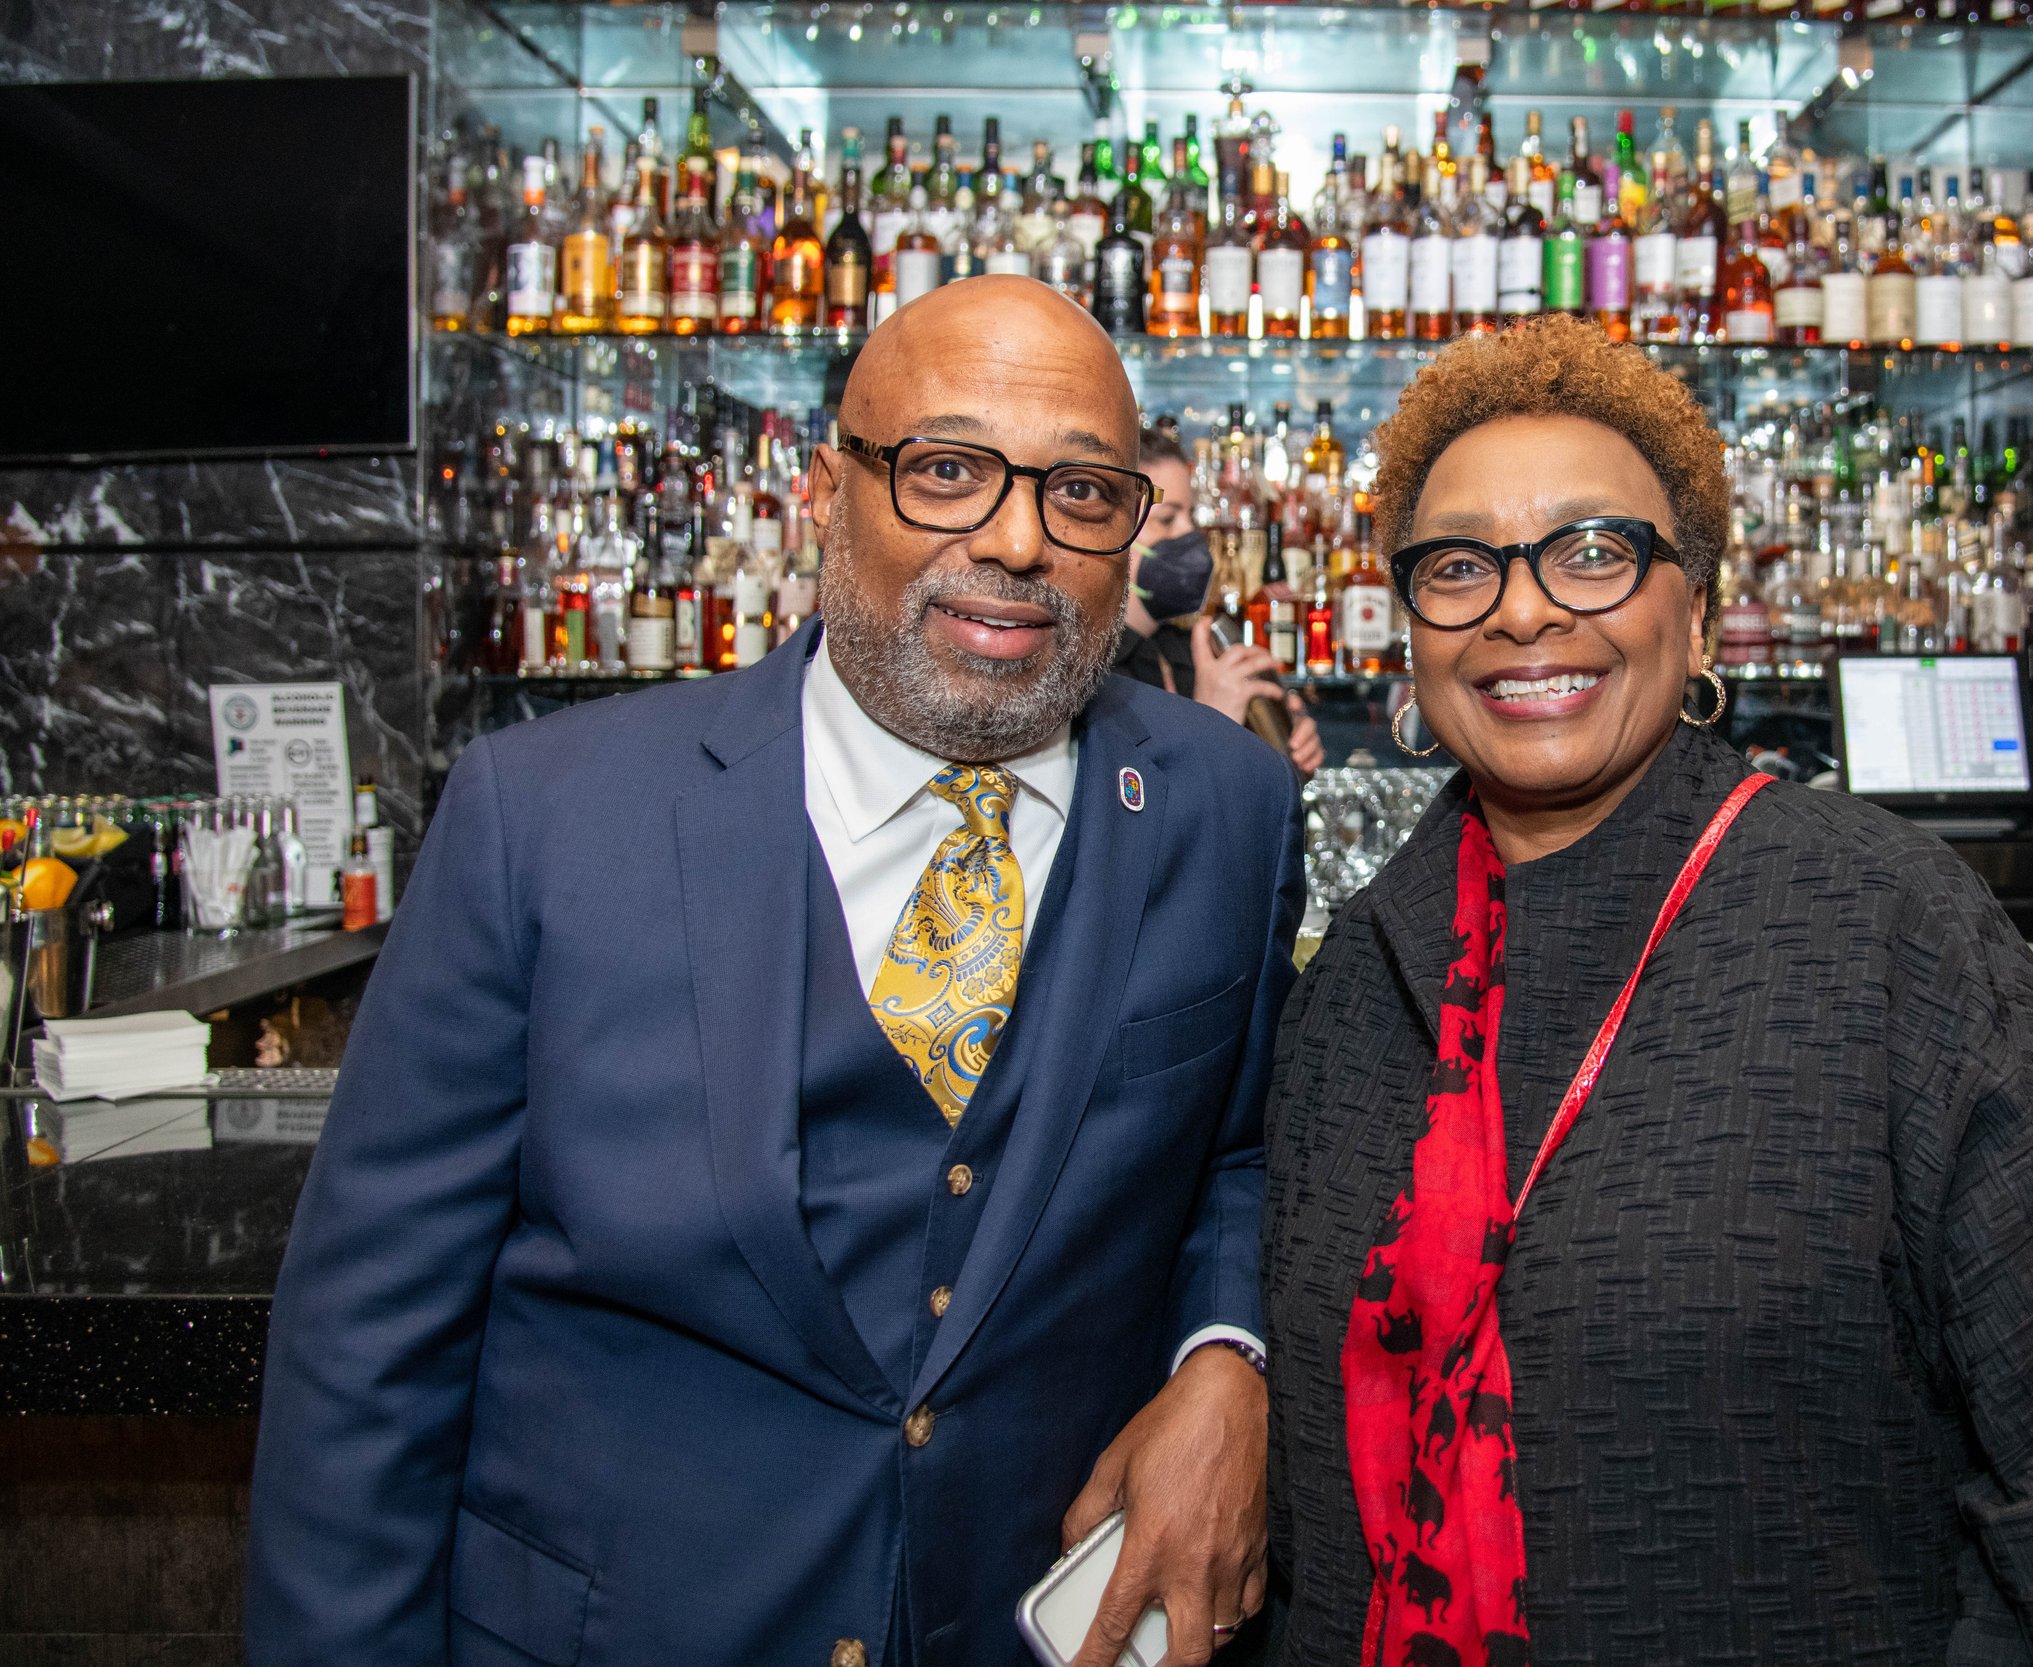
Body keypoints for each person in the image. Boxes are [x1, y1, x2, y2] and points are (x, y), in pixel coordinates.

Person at [245, 276, 1301, 1667]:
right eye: (945, 471)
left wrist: (1227, 1352)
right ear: (824, 490)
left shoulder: (1229, 804)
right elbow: (366, 1359)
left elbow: (1234, 1149)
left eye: (1082, 493)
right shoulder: (546, 816)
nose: (1012, 540)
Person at [1261, 316, 2033, 1666]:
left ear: (1695, 608)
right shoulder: (1361, 969)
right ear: (1410, 634)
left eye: (1594, 551)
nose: (1526, 609)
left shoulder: (1886, 923)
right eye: (1462, 566)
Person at [1114, 424, 1326, 776]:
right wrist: (1212, 722)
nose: (1188, 534)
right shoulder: (1090, 676)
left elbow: (1253, 805)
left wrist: (1285, 743)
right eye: (1167, 519)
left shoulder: (1192, 649)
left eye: (1191, 517)